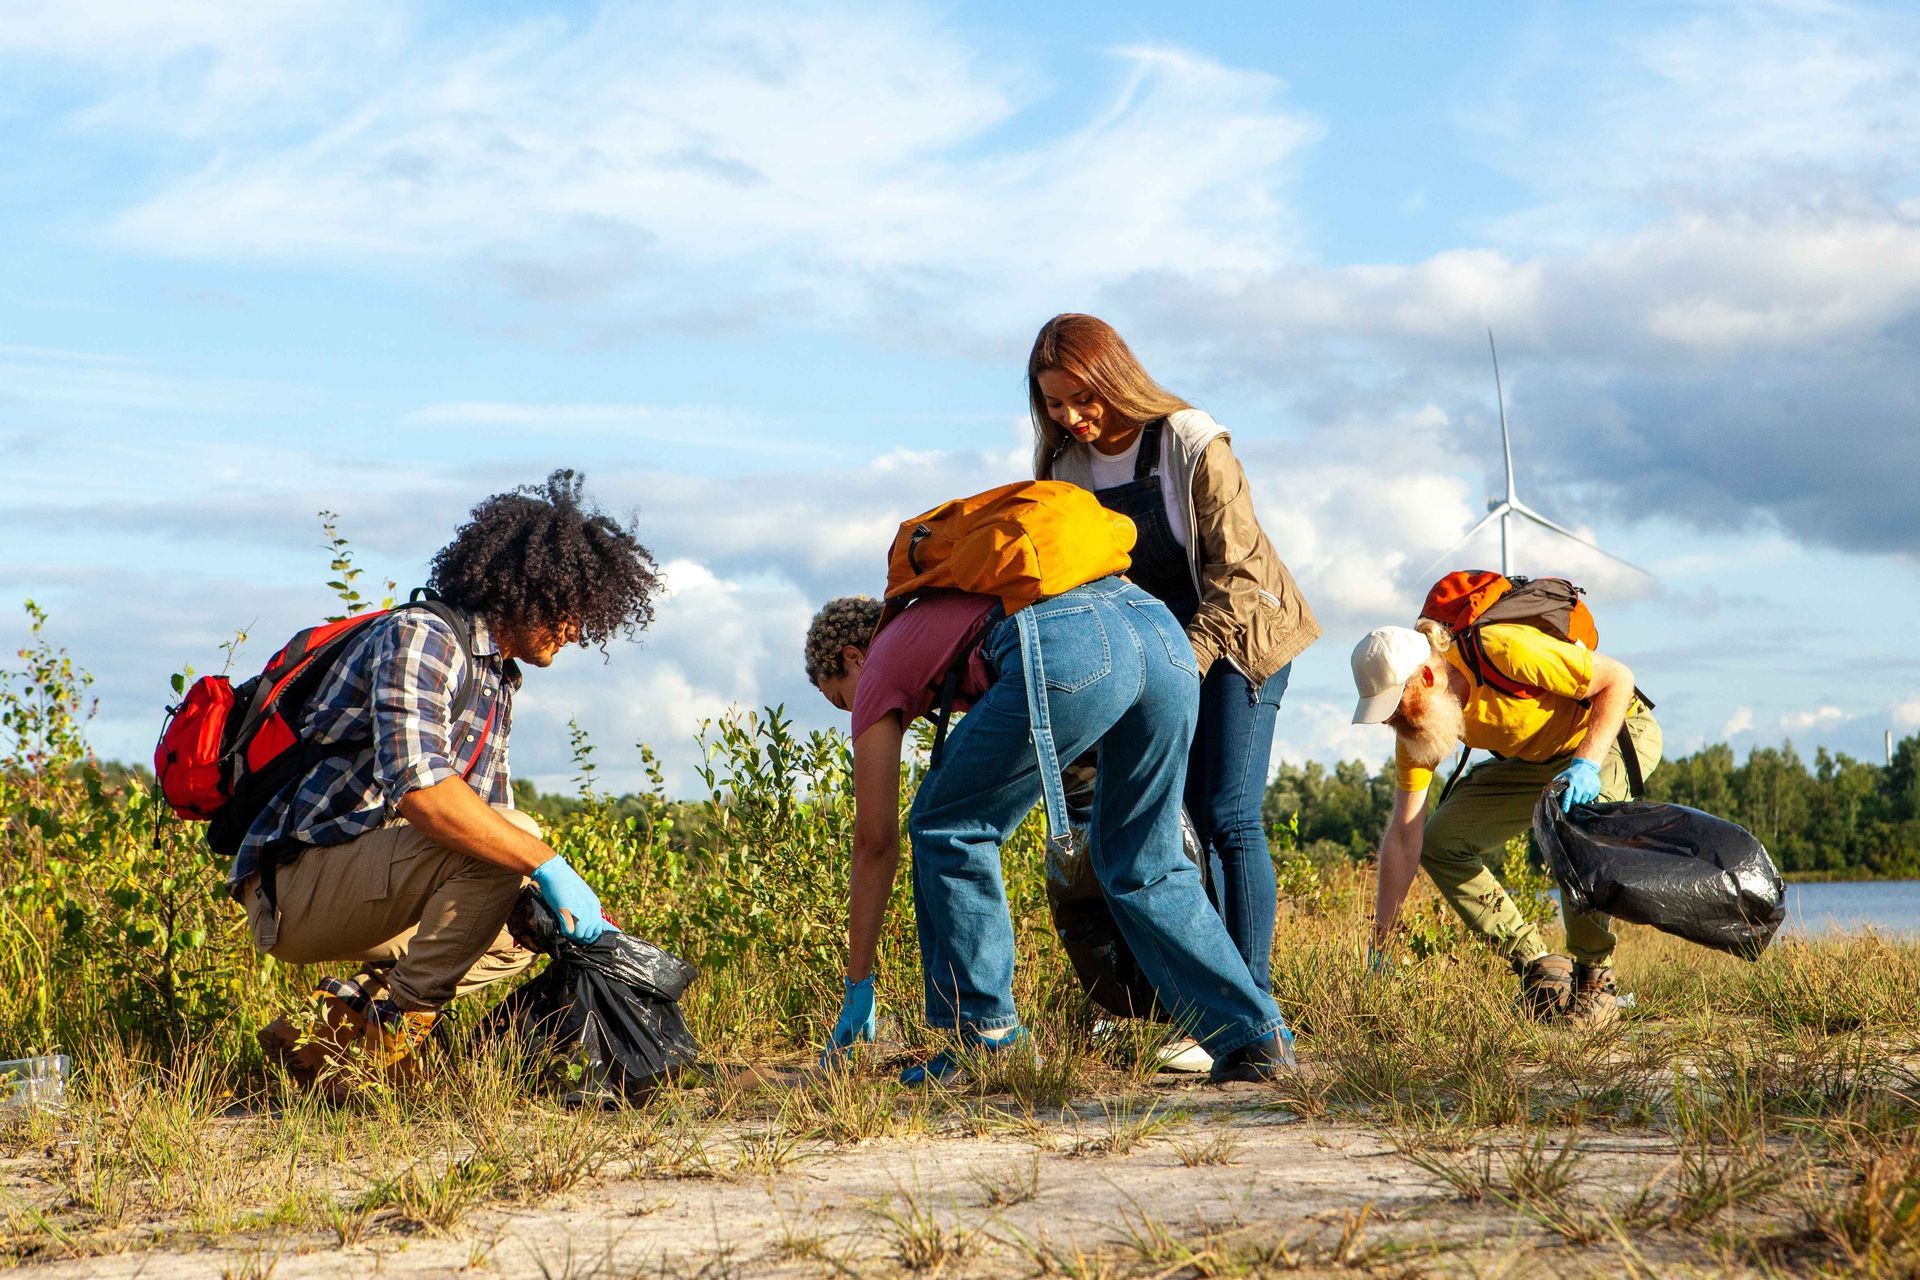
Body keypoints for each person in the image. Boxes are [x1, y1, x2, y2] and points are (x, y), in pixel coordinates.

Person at [239, 471, 661, 1092]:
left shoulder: (496, 679)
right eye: (570, 611)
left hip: (377, 884)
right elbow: (423, 794)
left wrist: (570, 909)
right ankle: (384, 1047)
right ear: (527, 587)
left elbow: (484, 835)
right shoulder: (421, 638)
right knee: (518, 843)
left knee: (538, 928)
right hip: (299, 886)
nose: (577, 632)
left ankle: (325, 1034)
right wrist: (547, 862)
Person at [805, 580, 1296, 1085]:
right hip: (1161, 632)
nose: (854, 712)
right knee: (1145, 860)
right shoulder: (952, 620)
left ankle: (987, 1039)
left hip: (1071, 644)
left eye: (842, 700)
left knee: (946, 826)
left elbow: (875, 843)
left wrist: (859, 983)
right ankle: (1254, 1036)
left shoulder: (882, 663)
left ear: (851, 658)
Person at [1028, 314, 1319, 1048]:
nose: (1072, 418)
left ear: (1115, 377)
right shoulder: (1064, 471)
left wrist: (1179, 666)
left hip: (1244, 632)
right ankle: (1205, 1011)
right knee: (1172, 823)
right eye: (1054, 405)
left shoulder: (1192, 443)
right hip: (1153, 651)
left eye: (1082, 399)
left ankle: (1254, 1013)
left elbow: (1242, 577)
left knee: (1226, 814)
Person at [1349, 618, 1661, 1027]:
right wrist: (1381, 941)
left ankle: (1593, 982)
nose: (1393, 723)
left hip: (1612, 733)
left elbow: (1618, 680)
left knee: (1574, 825)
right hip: (1539, 758)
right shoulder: (1419, 725)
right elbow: (1406, 836)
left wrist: (1585, 764)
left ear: (1426, 676)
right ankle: (1542, 969)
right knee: (1441, 841)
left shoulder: (1506, 650)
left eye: (1394, 708)